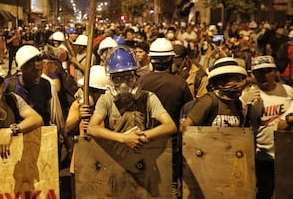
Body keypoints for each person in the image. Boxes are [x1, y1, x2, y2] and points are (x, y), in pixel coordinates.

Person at [87, 46, 177, 150]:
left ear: (136, 77)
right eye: (117, 78)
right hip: (116, 155)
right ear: (111, 80)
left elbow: (170, 126)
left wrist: (139, 137)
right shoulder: (106, 100)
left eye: (128, 77)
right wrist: (124, 138)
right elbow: (92, 128)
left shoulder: (148, 98)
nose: (123, 84)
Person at [138, 38, 193, 197]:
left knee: (145, 184)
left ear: (151, 60)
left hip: (143, 141)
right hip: (172, 144)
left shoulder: (141, 82)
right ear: (170, 59)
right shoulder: (180, 83)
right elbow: (189, 109)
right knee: (171, 184)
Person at [241, 55, 293, 199]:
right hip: (261, 153)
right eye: (259, 72)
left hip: (286, 152)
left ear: (275, 72)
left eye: (267, 71)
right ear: (253, 74)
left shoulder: (288, 91)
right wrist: (243, 105)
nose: (263, 76)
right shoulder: (249, 95)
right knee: (264, 191)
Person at [181, 57, 248, 128]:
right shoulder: (208, 101)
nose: (240, 84)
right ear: (220, 82)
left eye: (240, 80)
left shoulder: (237, 104)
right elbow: (185, 128)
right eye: (235, 80)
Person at [7, 45, 52, 126]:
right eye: (33, 71)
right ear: (22, 69)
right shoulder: (9, 86)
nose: (38, 74)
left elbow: (47, 113)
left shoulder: (45, 85)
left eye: (40, 70)